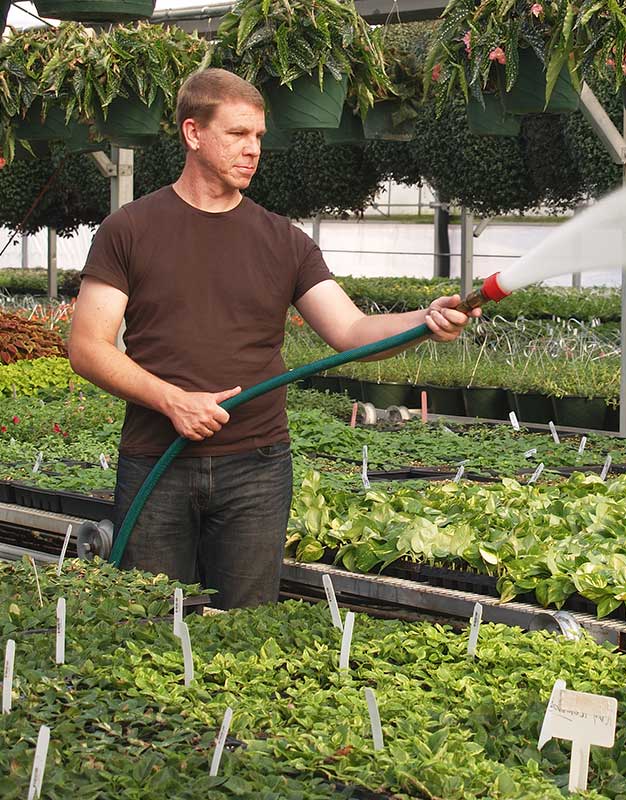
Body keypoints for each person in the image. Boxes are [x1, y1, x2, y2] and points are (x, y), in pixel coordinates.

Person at [68, 68, 479, 609]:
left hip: (256, 469)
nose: (253, 149)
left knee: (246, 628)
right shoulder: (130, 229)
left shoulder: (283, 240)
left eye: (259, 136)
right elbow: (87, 346)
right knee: (149, 625)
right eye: (238, 134)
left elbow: (351, 330)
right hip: (157, 459)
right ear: (193, 134)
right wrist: (174, 401)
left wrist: (423, 320)